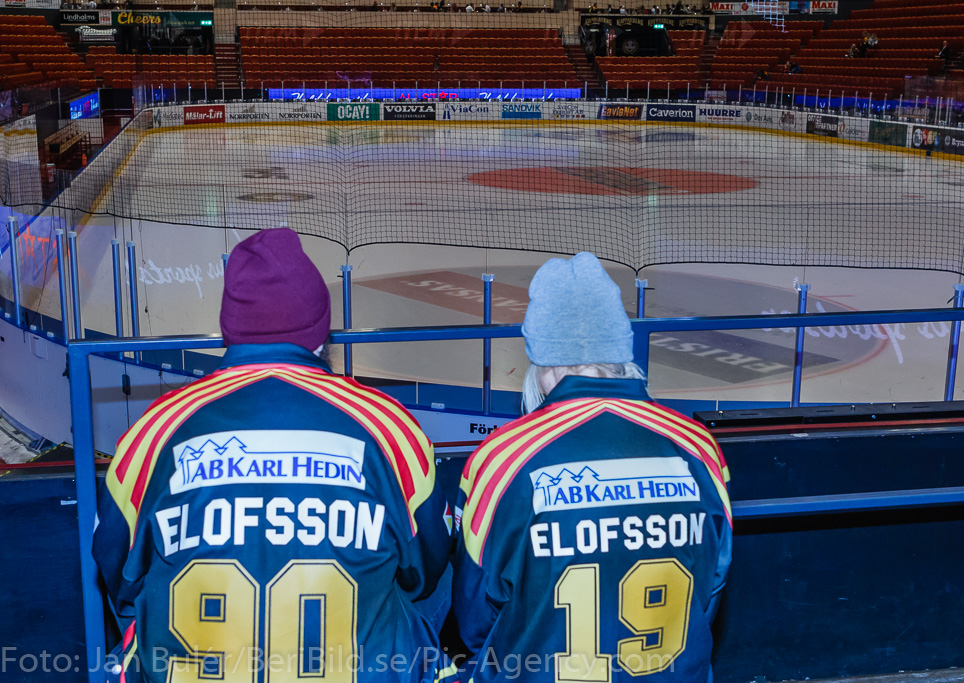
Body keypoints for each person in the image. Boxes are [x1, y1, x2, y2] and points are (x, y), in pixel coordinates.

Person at [93, 228, 457, 683]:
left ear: (230, 330)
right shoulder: (385, 422)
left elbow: (116, 569)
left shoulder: (157, 425)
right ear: (321, 333)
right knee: (433, 575)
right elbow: (425, 564)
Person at [453, 252, 733, 683]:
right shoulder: (697, 446)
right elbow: (711, 586)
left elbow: (475, 619)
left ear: (542, 359)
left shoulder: (504, 458)